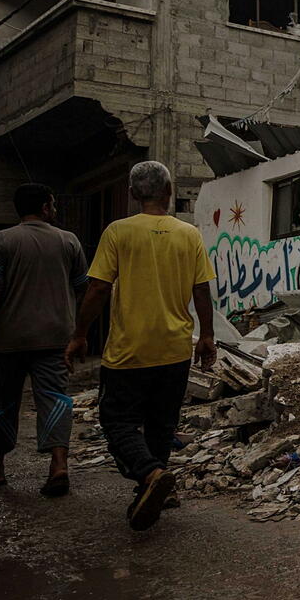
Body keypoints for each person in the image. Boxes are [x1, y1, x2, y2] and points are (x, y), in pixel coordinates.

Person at [68, 161, 216, 531]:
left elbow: (98, 288)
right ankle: (152, 488)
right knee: (161, 425)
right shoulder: (189, 234)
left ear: (132, 194)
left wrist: (79, 333)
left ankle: (151, 474)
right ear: (169, 192)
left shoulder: (118, 231)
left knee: (117, 422)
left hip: (128, 351)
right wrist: (207, 337)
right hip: (175, 350)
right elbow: (201, 290)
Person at [0, 183, 88, 497]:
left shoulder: (0, 241)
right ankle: (58, 466)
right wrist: (75, 327)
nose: (55, 210)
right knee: (55, 399)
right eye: (53, 204)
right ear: (46, 207)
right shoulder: (69, 241)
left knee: (1, 403)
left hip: (6, 340)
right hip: (55, 337)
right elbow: (81, 287)